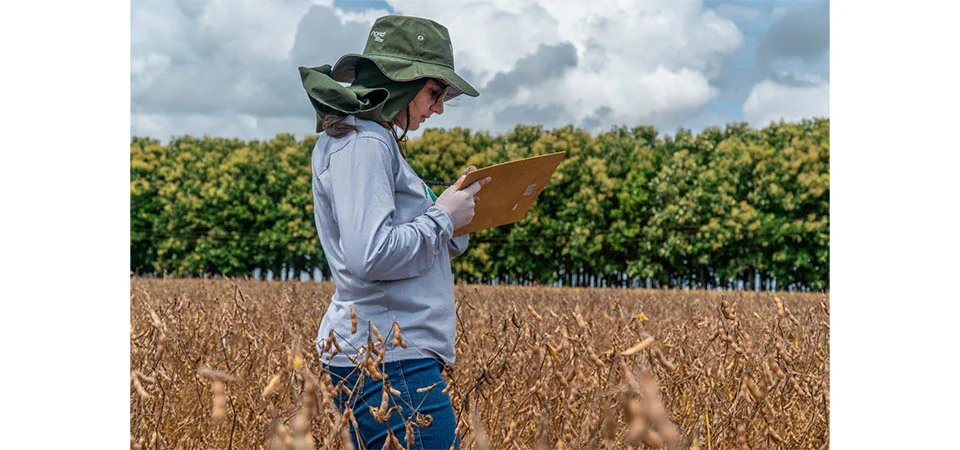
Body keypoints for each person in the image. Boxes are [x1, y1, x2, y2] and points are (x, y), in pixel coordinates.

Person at [298, 15, 489, 450]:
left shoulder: (372, 138)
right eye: (434, 92)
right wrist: (442, 217)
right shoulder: (364, 142)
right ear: (402, 83)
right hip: (388, 354)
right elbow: (371, 256)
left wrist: (452, 216)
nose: (438, 107)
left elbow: (396, 242)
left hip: (388, 351)